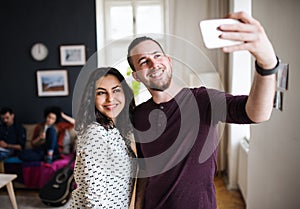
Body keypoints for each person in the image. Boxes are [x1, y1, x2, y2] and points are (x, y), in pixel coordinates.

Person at [127, 12, 278, 209]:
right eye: (143, 61)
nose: (154, 63)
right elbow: (145, 168)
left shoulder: (203, 100)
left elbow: (257, 113)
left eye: (157, 56)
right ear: (137, 76)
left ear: (169, 61)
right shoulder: (139, 115)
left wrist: (267, 65)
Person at [69, 67, 136, 208]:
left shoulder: (117, 130)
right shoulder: (96, 132)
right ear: (91, 98)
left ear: (125, 92)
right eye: (101, 92)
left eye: (116, 90)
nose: (110, 98)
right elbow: (94, 197)